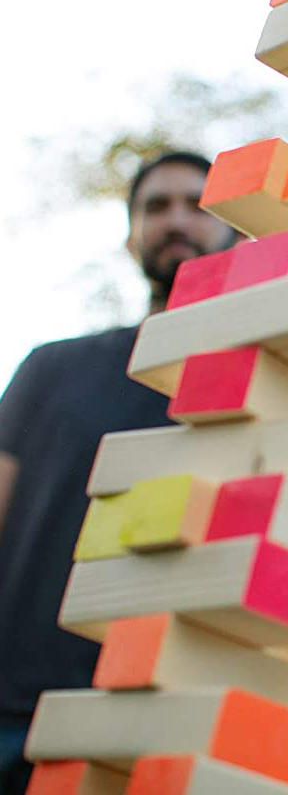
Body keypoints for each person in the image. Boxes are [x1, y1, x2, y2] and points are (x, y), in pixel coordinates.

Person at [0, 151, 237, 794]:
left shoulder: (265, 389)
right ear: (131, 233)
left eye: (197, 203)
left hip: (159, 726)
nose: (176, 219)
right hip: (11, 707)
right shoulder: (52, 367)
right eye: (155, 206)